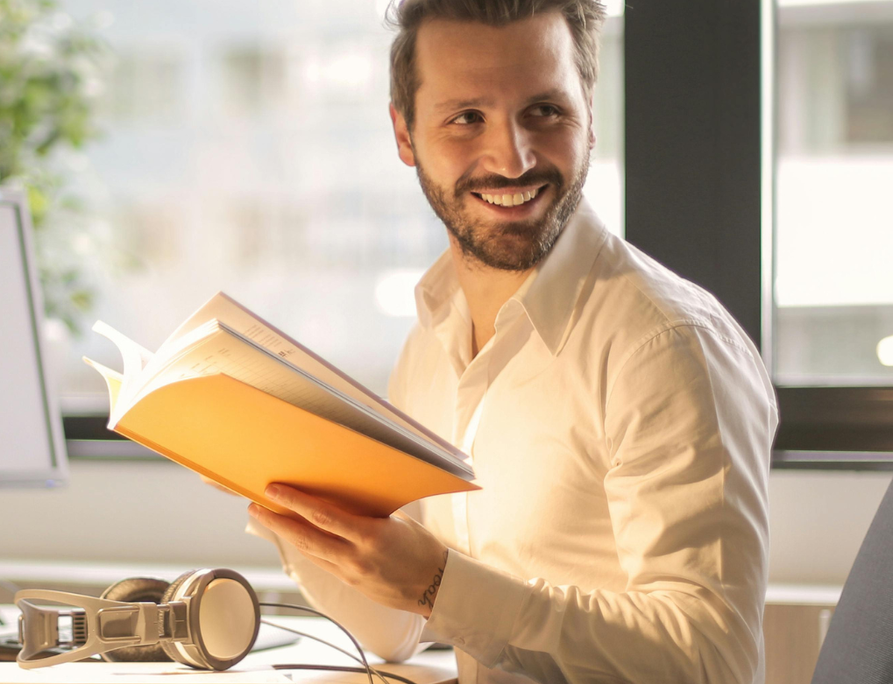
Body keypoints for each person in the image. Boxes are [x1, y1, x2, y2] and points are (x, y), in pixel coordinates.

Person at [243, 1, 776, 682]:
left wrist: (442, 585)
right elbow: (394, 628)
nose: (512, 157)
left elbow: (712, 661)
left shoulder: (667, 346)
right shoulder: (432, 341)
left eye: (544, 112)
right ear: (405, 134)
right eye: (467, 118)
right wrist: (281, 491)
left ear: (588, 109)